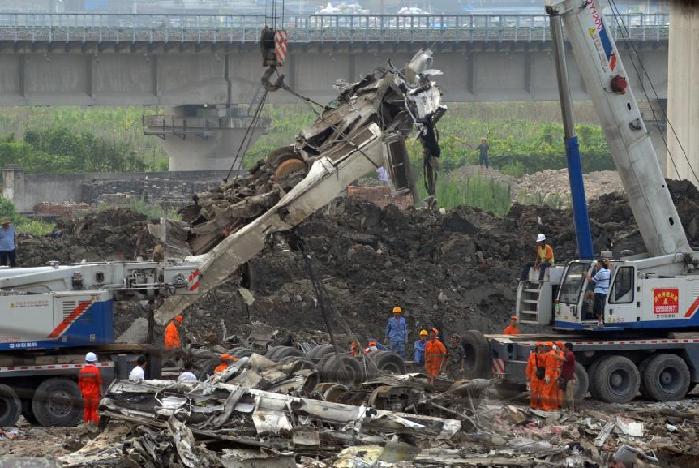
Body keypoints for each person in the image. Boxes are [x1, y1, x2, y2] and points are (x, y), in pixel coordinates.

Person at [79, 352, 102, 425]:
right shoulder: (96, 370)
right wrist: (101, 393)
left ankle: (86, 425)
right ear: (94, 360)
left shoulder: (82, 370)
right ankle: (95, 425)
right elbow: (99, 382)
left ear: (86, 360)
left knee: (86, 409)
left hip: (85, 394)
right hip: (94, 394)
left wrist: (82, 393)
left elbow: (80, 383)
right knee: (94, 410)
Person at [588, 259, 611, 325]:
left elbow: (591, 281)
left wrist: (586, 275)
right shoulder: (608, 271)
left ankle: (599, 321)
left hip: (599, 292)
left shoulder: (600, 273)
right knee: (602, 306)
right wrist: (608, 261)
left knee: (598, 307)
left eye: (597, 264)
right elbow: (609, 267)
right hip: (605, 292)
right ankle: (601, 319)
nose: (596, 266)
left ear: (600, 265)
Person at [541, 342, 562, 411]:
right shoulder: (554, 353)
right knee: (553, 393)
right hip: (554, 375)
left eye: (546, 346)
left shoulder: (550, 354)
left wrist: (547, 376)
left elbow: (549, 366)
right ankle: (554, 407)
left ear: (550, 347)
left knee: (545, 392)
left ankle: (546, 407)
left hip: (550, 375)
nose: (545, 347)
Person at [525, 342, 544, 410]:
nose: (540, 347)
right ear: (536, 347)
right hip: (534, 376)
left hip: (542, 376)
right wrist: (528, 376)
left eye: (541, 346)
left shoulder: (545, 355)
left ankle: (541, 406)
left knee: (542, 392)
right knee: (534, 392)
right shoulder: (532, 355)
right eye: (539, 346)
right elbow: (529, 366)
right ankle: (533, 406)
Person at [560, 343, 577, 410]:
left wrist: (555, 356)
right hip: (565, 377)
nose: (563, 348)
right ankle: (565, 408)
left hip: (570, 378)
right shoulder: (567, 354)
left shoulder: (570, 354)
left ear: (567, 348)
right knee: (564, 394)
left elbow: (564, 360)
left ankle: (571, 409)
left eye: (564, 347)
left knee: (569, 395)